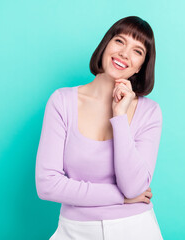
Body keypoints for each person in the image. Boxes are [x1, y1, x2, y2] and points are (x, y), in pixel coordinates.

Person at [35, 16, 163, 240]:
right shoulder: (62, 101)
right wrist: (120, 197)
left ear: (141, 66)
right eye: (120, 41)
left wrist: (119, 116)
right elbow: (47, 185)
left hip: (135, 229)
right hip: (74, 231)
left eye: (137, 51)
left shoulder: (149, 112)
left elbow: (134, 187)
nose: (124, 53)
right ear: (106, 45)